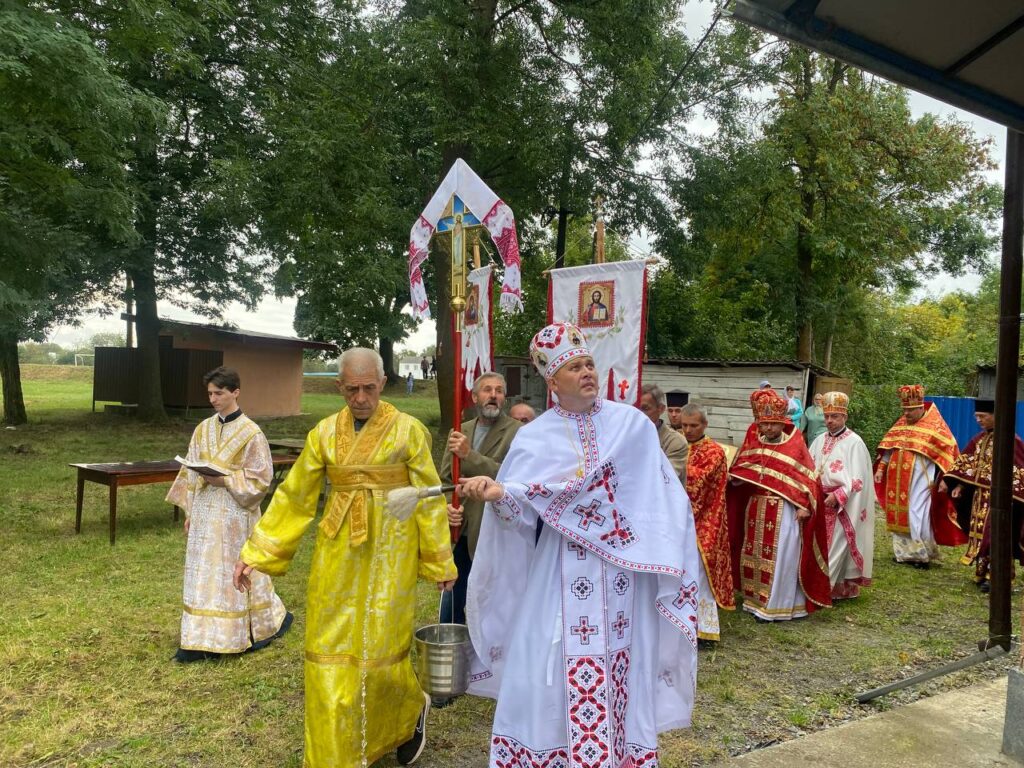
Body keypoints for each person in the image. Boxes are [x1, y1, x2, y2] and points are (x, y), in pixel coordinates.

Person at [460, 322, 701, 767]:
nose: (588, 372)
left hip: (623, 575)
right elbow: (520, 513)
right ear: (553, 383)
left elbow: (661, 495)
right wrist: (499, 496)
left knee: (623, 663)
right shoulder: (535, 436)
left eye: (589, 364)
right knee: (549, 664)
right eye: (575, 368)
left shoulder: (632, 426)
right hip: (559, 572)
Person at [232, 348, 457, 768]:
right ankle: (334, 753)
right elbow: (295, 495)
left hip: (392, 551)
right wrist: (257, 551)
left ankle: (408, 713)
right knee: (328, 649)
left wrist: (440, 559)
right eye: (351, 389)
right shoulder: (322, 433)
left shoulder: (409, 431)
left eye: (369, 388)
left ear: (383, 383)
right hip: (337, 550)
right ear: (339, 387)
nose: (360, 398)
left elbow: (427, 500)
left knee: (382, 645)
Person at [166, 366, 292, 663]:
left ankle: (234, 634)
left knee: (231, 571)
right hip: (205, 512)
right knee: (203, 574)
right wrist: (190, 511)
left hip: (235, 514)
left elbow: (261, 479)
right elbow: (190, 471)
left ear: (236, 392)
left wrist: (225, 480)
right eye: (210, 393)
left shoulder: (252, 433)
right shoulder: (202, 428)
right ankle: (199, 637)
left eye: (219, 393)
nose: (213, 399)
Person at [727, 389, 831, 622]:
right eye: (764, 424)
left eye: (773, 424)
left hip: (784, 510)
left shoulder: (794, 444)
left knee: (781, 557)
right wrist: (733, 479)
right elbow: (744, 472)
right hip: (756, 507)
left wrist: (805, 506)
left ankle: (776, 605)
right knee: (753, 553)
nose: (769, 428)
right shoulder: (754, 442)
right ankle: (755, 601)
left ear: (782, 422)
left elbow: (808, 482)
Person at [440, 372, 521, 625]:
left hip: (494, 532)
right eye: (487, 390)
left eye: (499, 391)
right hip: (461, 531)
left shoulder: (518, 432)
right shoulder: (460, 431)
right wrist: (448, 506)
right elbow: (446, 480)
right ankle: (452, 644)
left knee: (488, 605)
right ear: (475, 397)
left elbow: (510, 477)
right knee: (451, 601)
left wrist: (470, 455)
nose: (493, 395)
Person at [874, 384, 962, 569]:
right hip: (897, 478)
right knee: (898, 513)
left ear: (921, 407)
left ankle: (921, 555)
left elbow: (949, 453)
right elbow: (889, 448)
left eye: (910, 410)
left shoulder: (935, 425)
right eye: (904, 410)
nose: (906, 414)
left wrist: (946, 479)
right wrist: (881, 469)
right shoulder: (902, 424)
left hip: (921, 479)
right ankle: (904, 553)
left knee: (916, 513)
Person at [940, 399, 1024, 593]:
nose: (979, 420)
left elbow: (1019, 470)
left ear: (996, 416)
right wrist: (959, 485)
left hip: (1000, 500)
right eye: (976, 417)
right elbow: (969, 464)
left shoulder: (1011, 441)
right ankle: (982, 573)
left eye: (982, 416)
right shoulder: (979, 439)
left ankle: (998, 577)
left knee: (995, 536)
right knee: (979, 536)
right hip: (980, 498)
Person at [808, 392, 875, 600]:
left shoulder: (855, 442)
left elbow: (859, 478)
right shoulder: (818, 440)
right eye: (826, 416)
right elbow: (808, 467)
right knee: (818, 545)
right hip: (818, 501)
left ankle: (824, 590)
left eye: (834, 416)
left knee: (835, 547)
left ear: (844, 416)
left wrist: (838, 495)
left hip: (840, 506)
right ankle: (821, 586)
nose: (829, 421)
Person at [678, 403, 735, 644]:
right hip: (678, 520)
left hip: (706, 520)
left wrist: (668, 468)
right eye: (684, 425)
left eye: (694, 425)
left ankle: (704, 630)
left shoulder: (714, 452)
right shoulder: (676, 444)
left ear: (705, 425)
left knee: (700, 574)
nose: (688, 430)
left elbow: (697, 483)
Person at [639, 382, 689, 481]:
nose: (639, 414)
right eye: (636, 409)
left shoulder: (675, 441)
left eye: (645, 409)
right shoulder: (628, 437)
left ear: (661, 409)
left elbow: (665, 478)